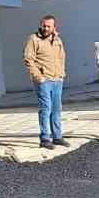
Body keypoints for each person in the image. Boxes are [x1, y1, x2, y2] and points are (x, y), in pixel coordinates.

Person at [23, 15, 67, 149]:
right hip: (44, 80)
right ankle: (44, 138)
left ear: (54, 27)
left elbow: (61, 57)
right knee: (45, 108)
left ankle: (57, 136)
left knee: (56, 109)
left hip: (57, 79)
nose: (46, 28)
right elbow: (28, 59)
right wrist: (39, 77)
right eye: (44, 25)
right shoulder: (34, 39)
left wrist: (61, 74)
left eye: (49, 26)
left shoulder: (57, 40)